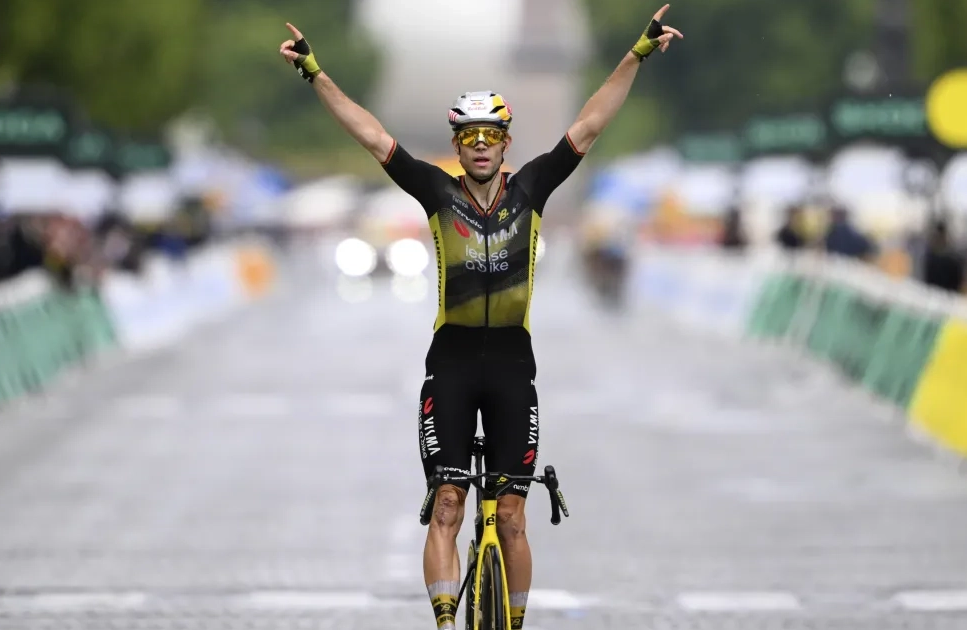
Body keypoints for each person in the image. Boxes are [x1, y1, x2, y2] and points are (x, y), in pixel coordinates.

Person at [279, 7, 682, 630]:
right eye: (469, 137)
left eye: (490, 136)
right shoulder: (436, 193)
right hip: (453, 363)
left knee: (513, 516)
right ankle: (446, 623)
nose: (481, 146)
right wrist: (315, 72)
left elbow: (590, 122)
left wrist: (637, 53)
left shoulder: (532, 190)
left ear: (506, 142)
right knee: (448, 504)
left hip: (513, 366)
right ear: (457, 145)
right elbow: (372, 135)